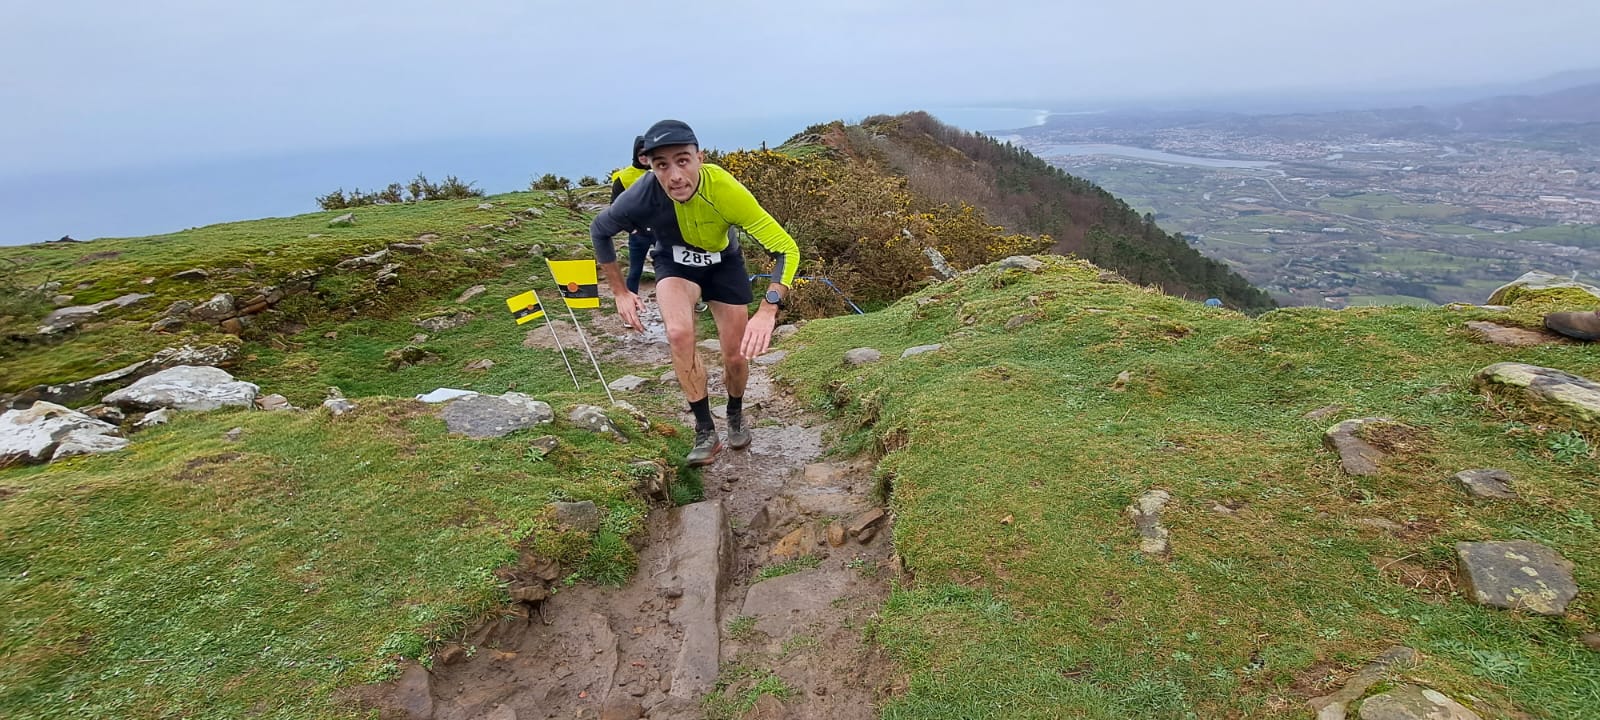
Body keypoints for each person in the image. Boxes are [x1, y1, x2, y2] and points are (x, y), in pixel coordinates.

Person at [590, 119, 799, 467]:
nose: (674, 175)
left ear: (700, 157)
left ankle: (734, 413)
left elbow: (786, 249)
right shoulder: (643, 193)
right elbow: (600, 230)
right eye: (661, 165)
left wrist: (767, 311)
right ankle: (704, 429)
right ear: (650, 166)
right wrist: (620, 293)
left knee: (735, 355)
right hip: (675, 263)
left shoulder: (726, 191)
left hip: (723, 264)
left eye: (682, 160)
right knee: (678, 333)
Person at [610, 136, 654, 296]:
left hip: (663, 230)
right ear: (635, 154)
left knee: (675, 268)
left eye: (647, 153)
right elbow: (614, 208)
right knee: (635, 271)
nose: (644, 156)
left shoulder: (661, 171)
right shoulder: (623, 177)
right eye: (641, 153)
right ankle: (631, 308)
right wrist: (631, 228)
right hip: (639, 233)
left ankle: (689, 302)